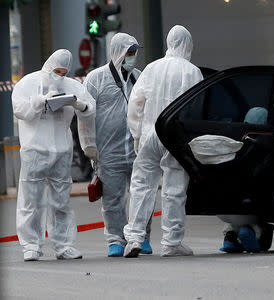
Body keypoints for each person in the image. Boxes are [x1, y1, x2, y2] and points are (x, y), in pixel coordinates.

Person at [123, 25, 203, 257]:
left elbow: (135, 104)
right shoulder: (192, 72)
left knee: (141, 186)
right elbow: (197, 109)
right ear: (187, 45)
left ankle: (134, 238)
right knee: (175, 189)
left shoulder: (151, 68)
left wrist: (137, 135)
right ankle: (171, 242)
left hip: (149, 133)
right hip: (176, 138)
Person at [12, 49, 95, 261]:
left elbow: (90, 107)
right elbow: (19, 110)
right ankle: (31, 245)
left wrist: (80, 105)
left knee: (61, 201)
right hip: (35, 150)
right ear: (49, 66)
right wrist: (39, 102)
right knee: (31, 200)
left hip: (61, 150)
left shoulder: (72, 85)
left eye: (64, 72)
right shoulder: (28, 83)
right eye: (57, 71)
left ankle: (64, 245)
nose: (60, 75)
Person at [84, 33, 152, 257]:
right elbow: (85, 114)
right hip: (108, 151)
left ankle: (142, 236)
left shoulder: (139, 77)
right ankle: (116, 240)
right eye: (128, 52)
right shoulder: (96, 78)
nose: (132, 57)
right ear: (117, 52)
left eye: (134, 52)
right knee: (112, 198)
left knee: (141, 195)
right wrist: (89, 145)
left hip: (136, 149)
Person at [219, 107, 269, 253]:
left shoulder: (234, 144)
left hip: (222, 208)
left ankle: (230, 237)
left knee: (233, 221)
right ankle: (252, 233)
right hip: (249, 205)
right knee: (254, 221)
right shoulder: (265, 148)